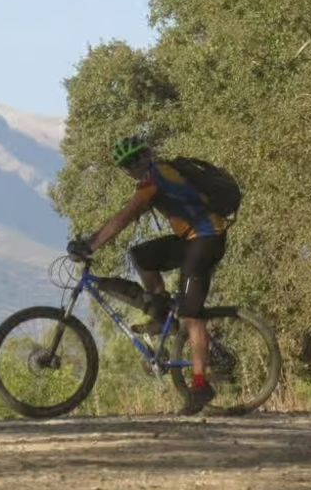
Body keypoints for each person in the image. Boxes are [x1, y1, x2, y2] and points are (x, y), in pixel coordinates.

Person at [69, 136, 229, 415]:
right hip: (191, 239)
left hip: (206, 239)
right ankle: (162, 313)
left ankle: (201, 385)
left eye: (137, 157)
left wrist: (91, 244)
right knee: (142, 256)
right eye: (128, 164)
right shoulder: (158, 175)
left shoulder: (155, 180)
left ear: (148, 154)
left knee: (192, 315)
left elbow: (123, 218)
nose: (134, 165)